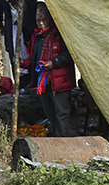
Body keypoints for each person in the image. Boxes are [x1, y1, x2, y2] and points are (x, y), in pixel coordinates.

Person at [31, 8, 77, 137]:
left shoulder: (59, 35)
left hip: (59, 79)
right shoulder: (38, 37)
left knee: (61, 110)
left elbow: (69, 55)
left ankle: (62, 137)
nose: (41, 23)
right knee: (49, 110)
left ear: (50, 19)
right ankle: (57, 135)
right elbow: (34, 57)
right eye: (38, 20)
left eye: (43, 19)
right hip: (45, 81)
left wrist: (54, 62)